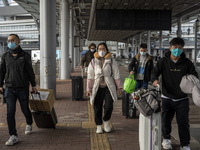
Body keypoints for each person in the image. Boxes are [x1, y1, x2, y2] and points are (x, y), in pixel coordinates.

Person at [151, 37, 198, 150]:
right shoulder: (163, 61)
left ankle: (185, 144)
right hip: (167, 96)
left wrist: (191, 81)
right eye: (175, 47)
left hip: (182, 98)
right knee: (166, 120)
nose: (177, 50)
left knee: (183, 122)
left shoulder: (187, 63)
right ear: (170, 48)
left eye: (180, 48)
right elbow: (154, 72)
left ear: (183, 49)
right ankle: (166, 139)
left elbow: (195, 76)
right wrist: (154, 80)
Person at [0, 34, 37, 146]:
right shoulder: (5, 56)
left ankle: (29, 122)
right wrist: (0, 84)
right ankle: (13, 135)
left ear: (18, 41)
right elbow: (2, 71)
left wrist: (33, 85)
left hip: (22, 88)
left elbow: (30, 71)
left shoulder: (25, 56)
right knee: (10, 112)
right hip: (9, 88)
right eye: (8, 40)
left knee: (25, 109)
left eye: (12, 40)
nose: (10, 42)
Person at [86, 42, 123, 134]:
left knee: (109, 106)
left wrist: (119, 87)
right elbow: (90, 76)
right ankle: (99, 125)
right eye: (99, 49)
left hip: (108, 86)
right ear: (97, 50)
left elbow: (116, 74)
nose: (101, 51)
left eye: (103, 49)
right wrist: (88, 89)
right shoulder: (93, 62)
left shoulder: (112, 61)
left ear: (106, 50)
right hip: (97, 87)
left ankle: (106, 121)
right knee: (97, 107)